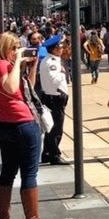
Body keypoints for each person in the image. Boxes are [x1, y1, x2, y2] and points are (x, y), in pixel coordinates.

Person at [0, 33, 50, 219]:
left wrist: (31, 65)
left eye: (19, 47)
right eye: (14, 48)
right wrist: (16, 63)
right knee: (29, 173)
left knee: (8, 170)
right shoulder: (1, 65)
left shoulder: (4, 66)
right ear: (4, 48)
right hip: (21, 122)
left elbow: (26, 87)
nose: (17, 51)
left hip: (4, 124)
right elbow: (11, 87)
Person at [39, 35, 70, 165]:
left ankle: (46, 152)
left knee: (51, 128)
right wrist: (62, 73)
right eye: (61, 46)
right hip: (55, 98)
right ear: (55, 48)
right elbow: (54, 79)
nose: (63, 48)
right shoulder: (52, 62)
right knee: (56, 129)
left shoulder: (51, 59)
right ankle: (54, 155)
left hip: (52, 97)